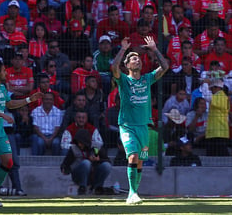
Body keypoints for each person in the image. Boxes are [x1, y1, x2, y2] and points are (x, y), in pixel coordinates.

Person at [0, 61, 43, 208]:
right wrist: (2, 116)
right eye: (4, 71)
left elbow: (9, 104)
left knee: (8, 162)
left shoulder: (3, 88)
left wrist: (29, 99)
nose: (6, 73)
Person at [112, 36, 168, 204]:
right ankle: (132, 193)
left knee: (140, 161)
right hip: (128, 126)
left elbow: (165, 66)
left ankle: (135, 193)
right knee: (133, 156)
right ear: (127, 65)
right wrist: (123, 49)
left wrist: (154, 49)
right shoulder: (123, 80)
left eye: (139, 59)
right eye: (134, 59)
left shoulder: (147, 79)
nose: (137, 61)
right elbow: (113, 67)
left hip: (144, 126)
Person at [60, 129, 111, 195]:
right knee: (86, 163)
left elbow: (107, 160)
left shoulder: (96, 148)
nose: (79, 144)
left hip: (93, 174)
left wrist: (98, 160)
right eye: (78, 142)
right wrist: (65, 169)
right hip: (78, 175)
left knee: (106, 166)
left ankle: (98, 187)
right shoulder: (74, 149)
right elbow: (65, 164)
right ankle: (82, 187)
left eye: (81, 143)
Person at [30, 92, 63, 156]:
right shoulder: (36, 111)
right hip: (41, 135)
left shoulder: (58, 111)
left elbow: (57, 127)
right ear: (42, 100)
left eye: (50, 99)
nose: (48, 101)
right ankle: (39, 162)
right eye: (46, 99)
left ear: (53, 101)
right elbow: (36, 127)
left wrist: (51, 138)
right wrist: (45, 139)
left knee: (56, 143)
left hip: (53, 136)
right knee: (40, 143)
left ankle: (55, 163)